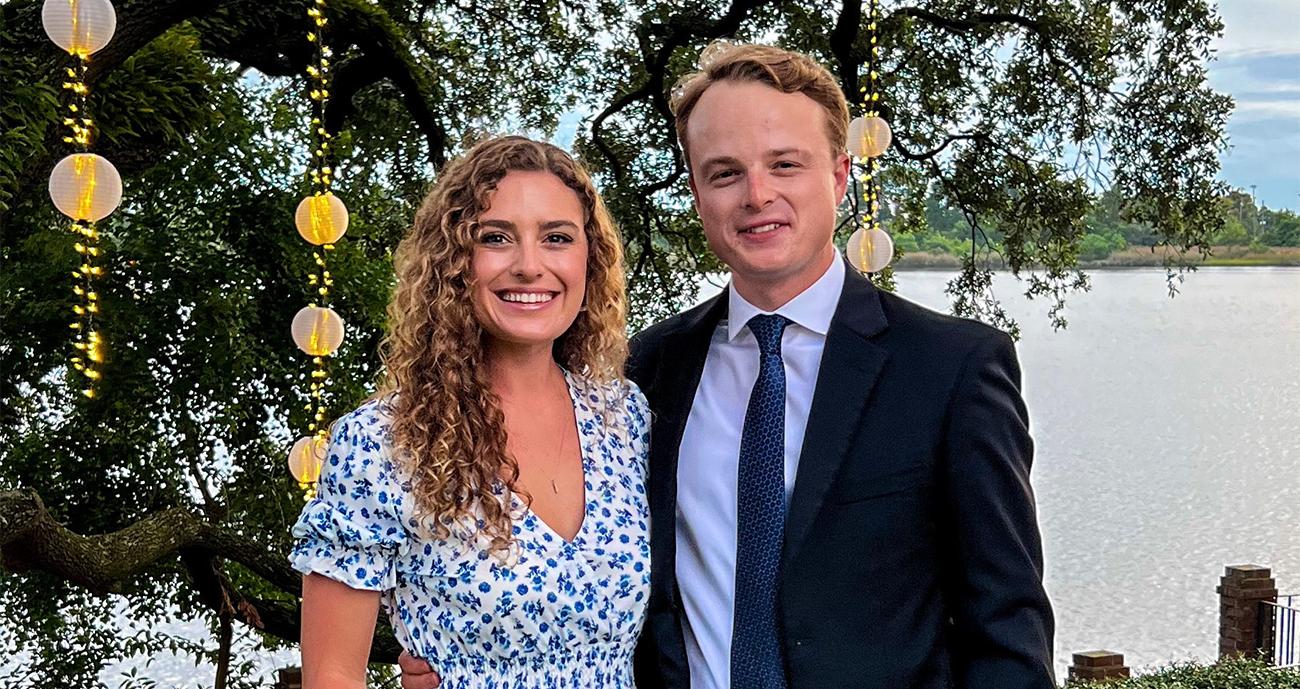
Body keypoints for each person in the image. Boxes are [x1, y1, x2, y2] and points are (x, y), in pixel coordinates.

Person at [402, 43, 1054, 689]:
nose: (757, 194)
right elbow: (581, 574)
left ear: (838, 174)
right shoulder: (642, 375)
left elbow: (1006, 632)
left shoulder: (952, 369)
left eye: (785, 164)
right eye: (725, 172)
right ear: (696, 193)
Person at [290, 135, 651, 689]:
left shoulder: (625, 418)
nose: (530, 266)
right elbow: (332, 675)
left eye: (556, 238)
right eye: (496, 238)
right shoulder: (382, 442)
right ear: (454, 263)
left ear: (590, 259)